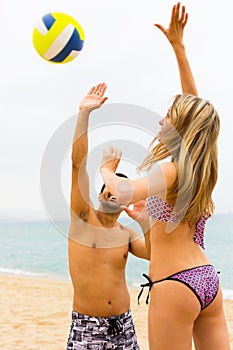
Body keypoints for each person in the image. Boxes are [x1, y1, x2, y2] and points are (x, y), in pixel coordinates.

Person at [100, 3, 230, 350]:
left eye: (168, 115)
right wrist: (179, 50)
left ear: (182, 127)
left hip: (175, 285)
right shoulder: (202, 170)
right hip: (206, 281)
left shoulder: (171, 170)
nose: (160, 120)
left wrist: (105, 172)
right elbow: (197, 112)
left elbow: (123, 191)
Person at [66, 82, 150, 350]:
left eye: (121, 191)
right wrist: (84, 114)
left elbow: (154, 253)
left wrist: (145, 221)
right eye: (110, 189)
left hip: (123, 325)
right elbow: (77, 164)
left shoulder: (126, 234)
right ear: (100, 195)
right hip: (87, 326)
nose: (114, 194)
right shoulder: (83, 218)